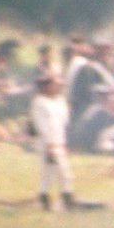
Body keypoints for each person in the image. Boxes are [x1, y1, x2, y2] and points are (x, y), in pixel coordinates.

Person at [30, 73, 74, 212]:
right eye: (55, 84)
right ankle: (65, 197)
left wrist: (62, 142)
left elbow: (63, 122)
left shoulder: (60, 100)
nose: (59, 87)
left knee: (52, 172)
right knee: (61, 171)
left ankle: (45, 197)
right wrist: (50, 144)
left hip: (59, 140)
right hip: (47, 142)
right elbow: (41, 124)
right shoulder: (39, 102)